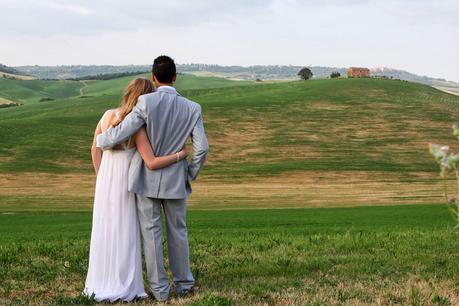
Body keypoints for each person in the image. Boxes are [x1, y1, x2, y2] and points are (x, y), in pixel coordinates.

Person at [96, 55, 209, 301]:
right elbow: (201, 148)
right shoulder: (193, 108)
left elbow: (124, 131)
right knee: (178, 231)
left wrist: (101, 140)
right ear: (175, 77)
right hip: (176, 180)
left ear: (154, 77)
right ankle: (184, 285)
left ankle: (159, 291)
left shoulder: (146, 103)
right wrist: (189, 172)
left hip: (146, 181)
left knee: (151, 234)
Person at [84, 78, 189, 302]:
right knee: (127, 230)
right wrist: (179, 155)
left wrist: (101, 176)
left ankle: (101, 280)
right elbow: (151, 161)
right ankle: (125, 282)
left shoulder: (106, 115)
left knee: (106, 229)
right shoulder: (138, 126)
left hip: (105, 180)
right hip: (127, 181)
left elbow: (94, 148)